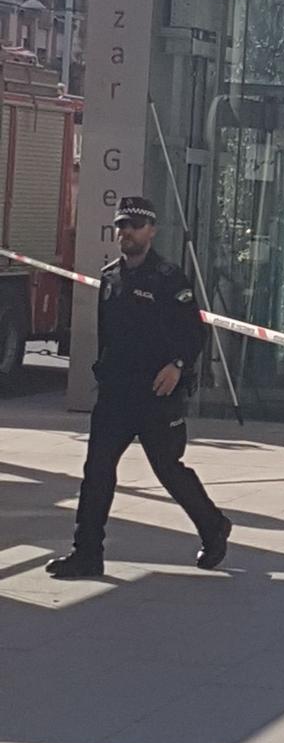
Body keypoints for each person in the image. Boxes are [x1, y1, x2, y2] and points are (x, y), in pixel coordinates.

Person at [46, 197, 231, 578]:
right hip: (116, 393)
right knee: (97, 470)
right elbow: (107, 333)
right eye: (121, 225)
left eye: (133, 225)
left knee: (168, 469)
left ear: (151, 230)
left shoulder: (168, 278)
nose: (125, 232)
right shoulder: (111, 276)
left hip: (156, 393)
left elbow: (193, 331)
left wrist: (178, 365)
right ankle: (87, 553)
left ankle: (213, 526)